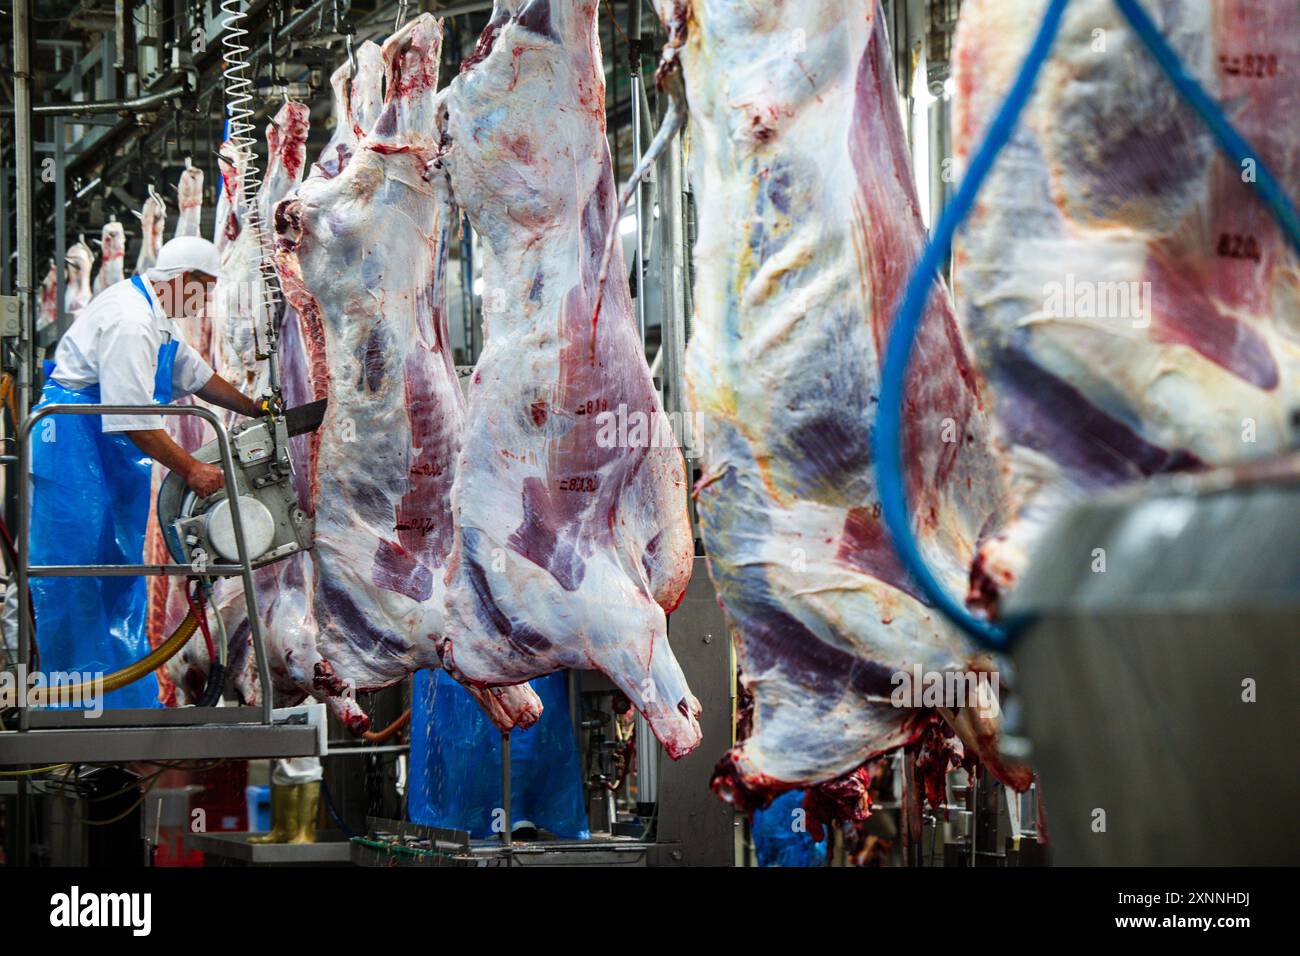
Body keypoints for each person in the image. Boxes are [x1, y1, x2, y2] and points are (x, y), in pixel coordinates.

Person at [29, 236, 266, 710]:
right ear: (180, 281)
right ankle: (74, 705)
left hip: (109, 457)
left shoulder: (157, 321)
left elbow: (196, 376)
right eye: (203, 289)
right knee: (76, 574)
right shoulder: (131, 321)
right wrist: (193, 468)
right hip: (75, 445)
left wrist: (255, 407)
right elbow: (132, 421)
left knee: (120, 572)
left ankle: (122, 702)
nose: (206, 301)